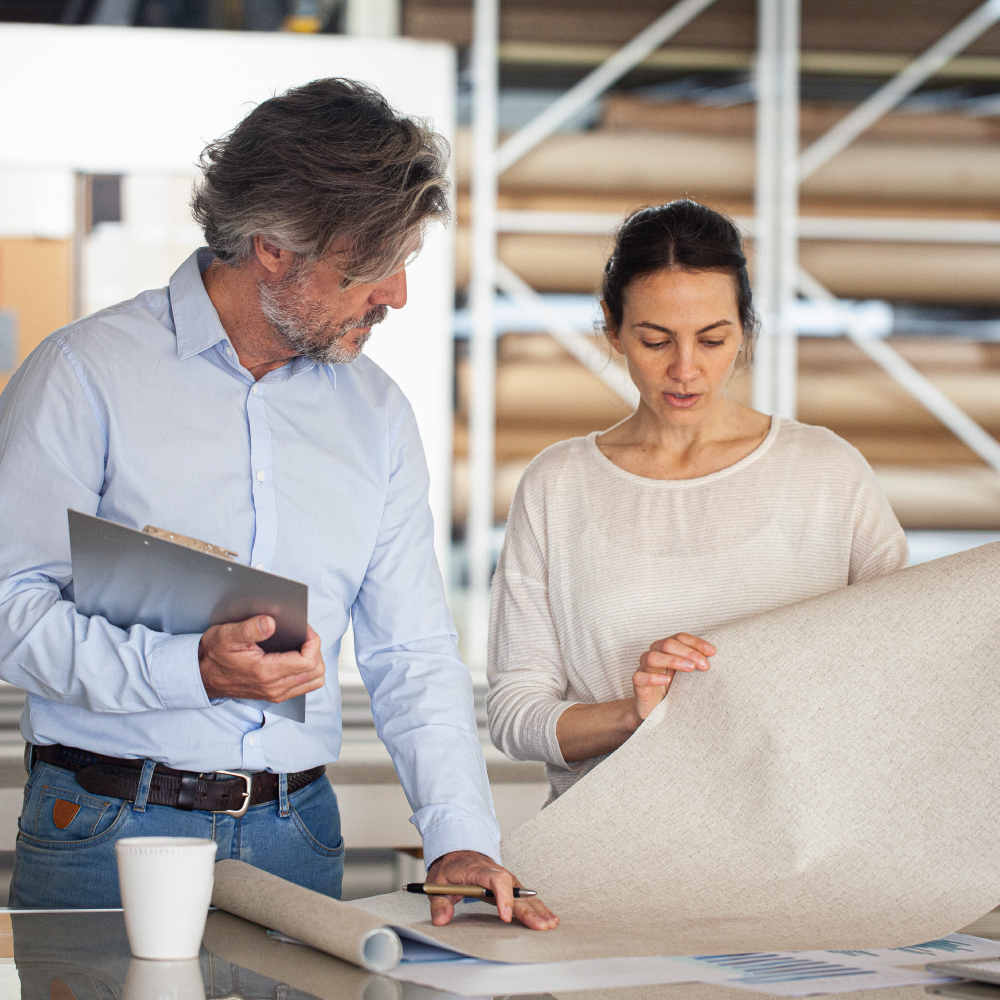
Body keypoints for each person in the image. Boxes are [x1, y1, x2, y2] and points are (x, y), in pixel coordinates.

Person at [0, 78, 556, 930]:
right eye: (370, 269)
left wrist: (460, 838)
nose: (397, 296)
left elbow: (411, 651)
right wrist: (190, 669)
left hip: (297, 833)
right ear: (271, 247)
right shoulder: (83, 375)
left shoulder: (377, 415)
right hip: (109, 828)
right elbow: (12, 613)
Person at [487, 199, 908, 804]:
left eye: (713, 340)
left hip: (798, 839)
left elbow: (902, 668)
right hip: (608, 843)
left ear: (746, 326)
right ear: (612, 327)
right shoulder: (557, 485)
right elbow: (514, 712)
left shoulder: (826, 471)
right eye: (656, 341)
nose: (686, 370)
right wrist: (634, 715)